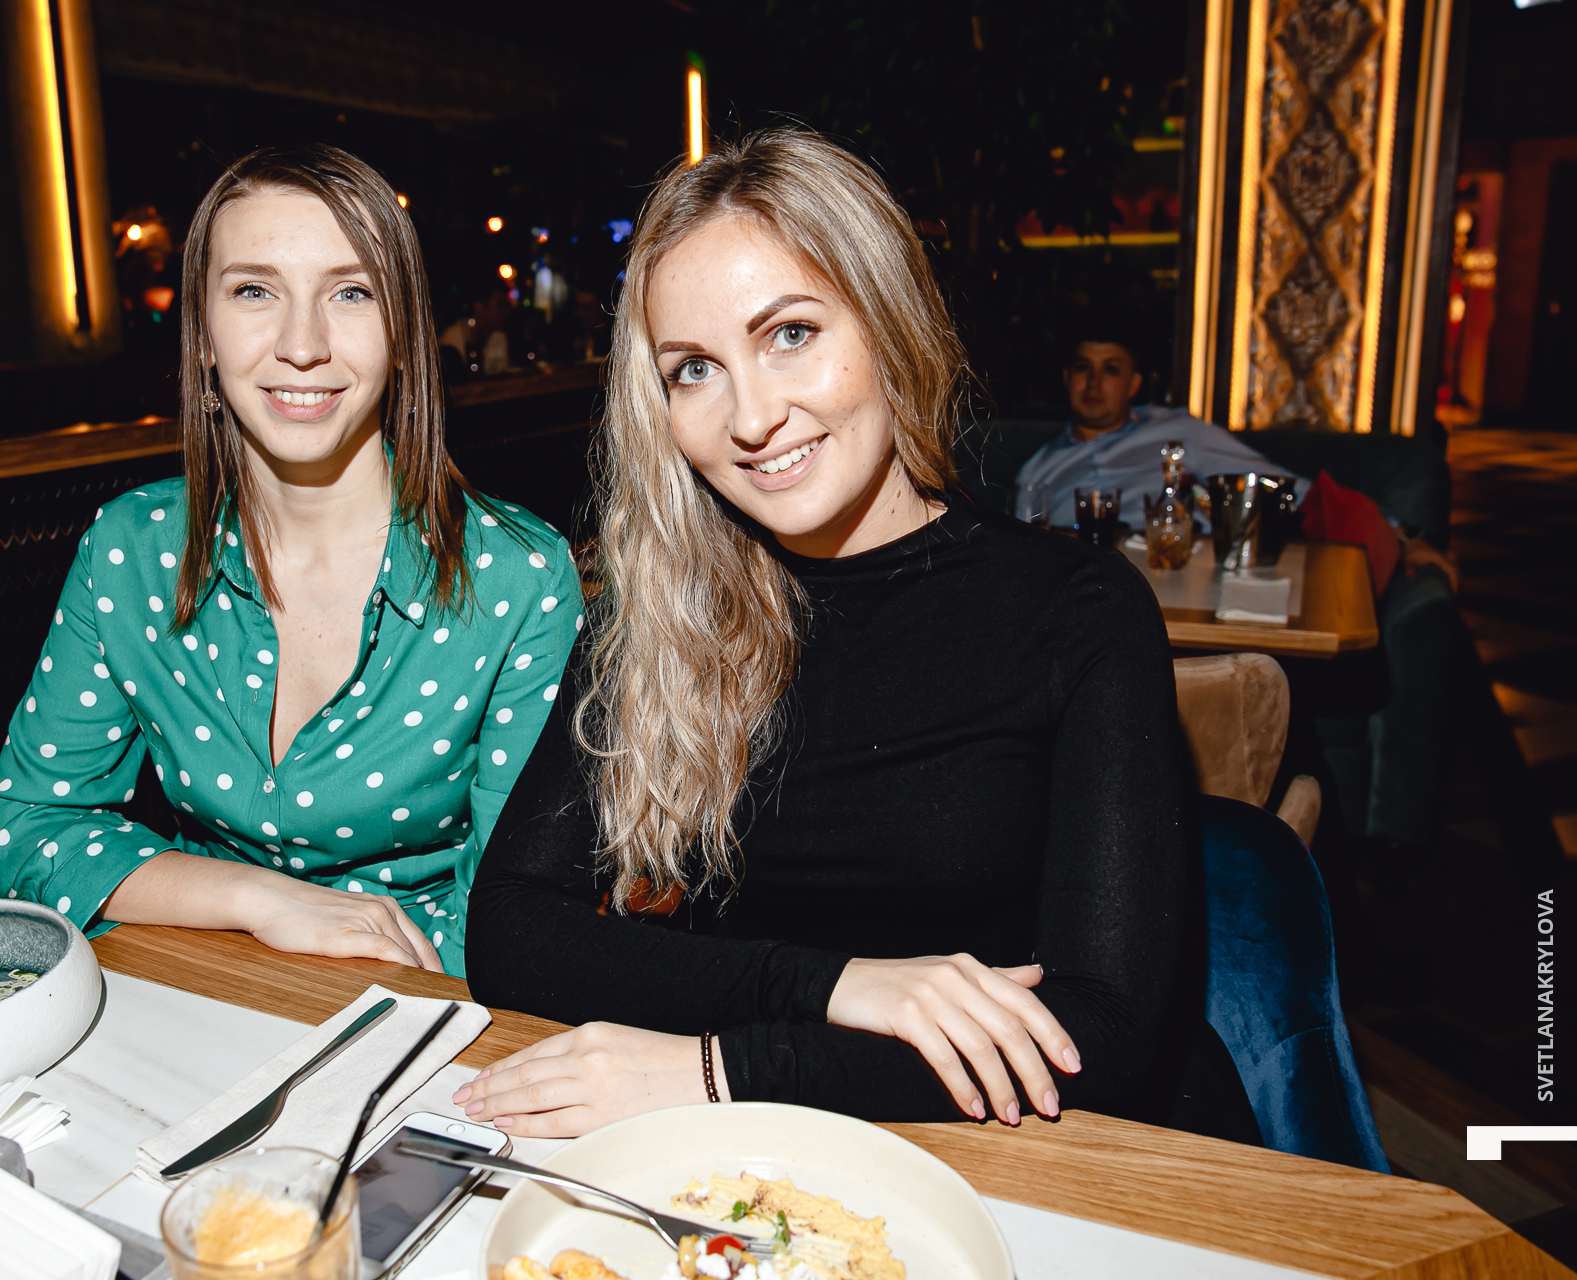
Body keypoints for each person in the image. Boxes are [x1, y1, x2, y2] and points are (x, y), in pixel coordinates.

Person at [460, 131, 1257, 1141]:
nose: (752, 417)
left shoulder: (1077, 612)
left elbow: (1104, 1032)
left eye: (790, 333)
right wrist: (836, 985)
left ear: (887, 318)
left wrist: (724, 1068)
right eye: (694, 368)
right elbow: (512, 928)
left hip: (1030, 1150)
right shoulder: (663, 611)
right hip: (761, 1149)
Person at [0, 146, 584, 977]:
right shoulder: (130, 549)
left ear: (405, 333)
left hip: (419, 992)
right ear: (202, 333)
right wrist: (257, 900)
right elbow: (23, 825)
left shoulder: (518, 578)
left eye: (352, 292)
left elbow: (518, 910)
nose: (302, 345)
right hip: (202, 973)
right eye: (255, 291)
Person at [1014, 326, 1298, 530]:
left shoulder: (1179, 431)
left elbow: (1285, 488)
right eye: (1083, 368)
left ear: (1133, 384)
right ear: (1067, 378)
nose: (1094, 383)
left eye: (1110, 370)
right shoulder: (1037, 469)